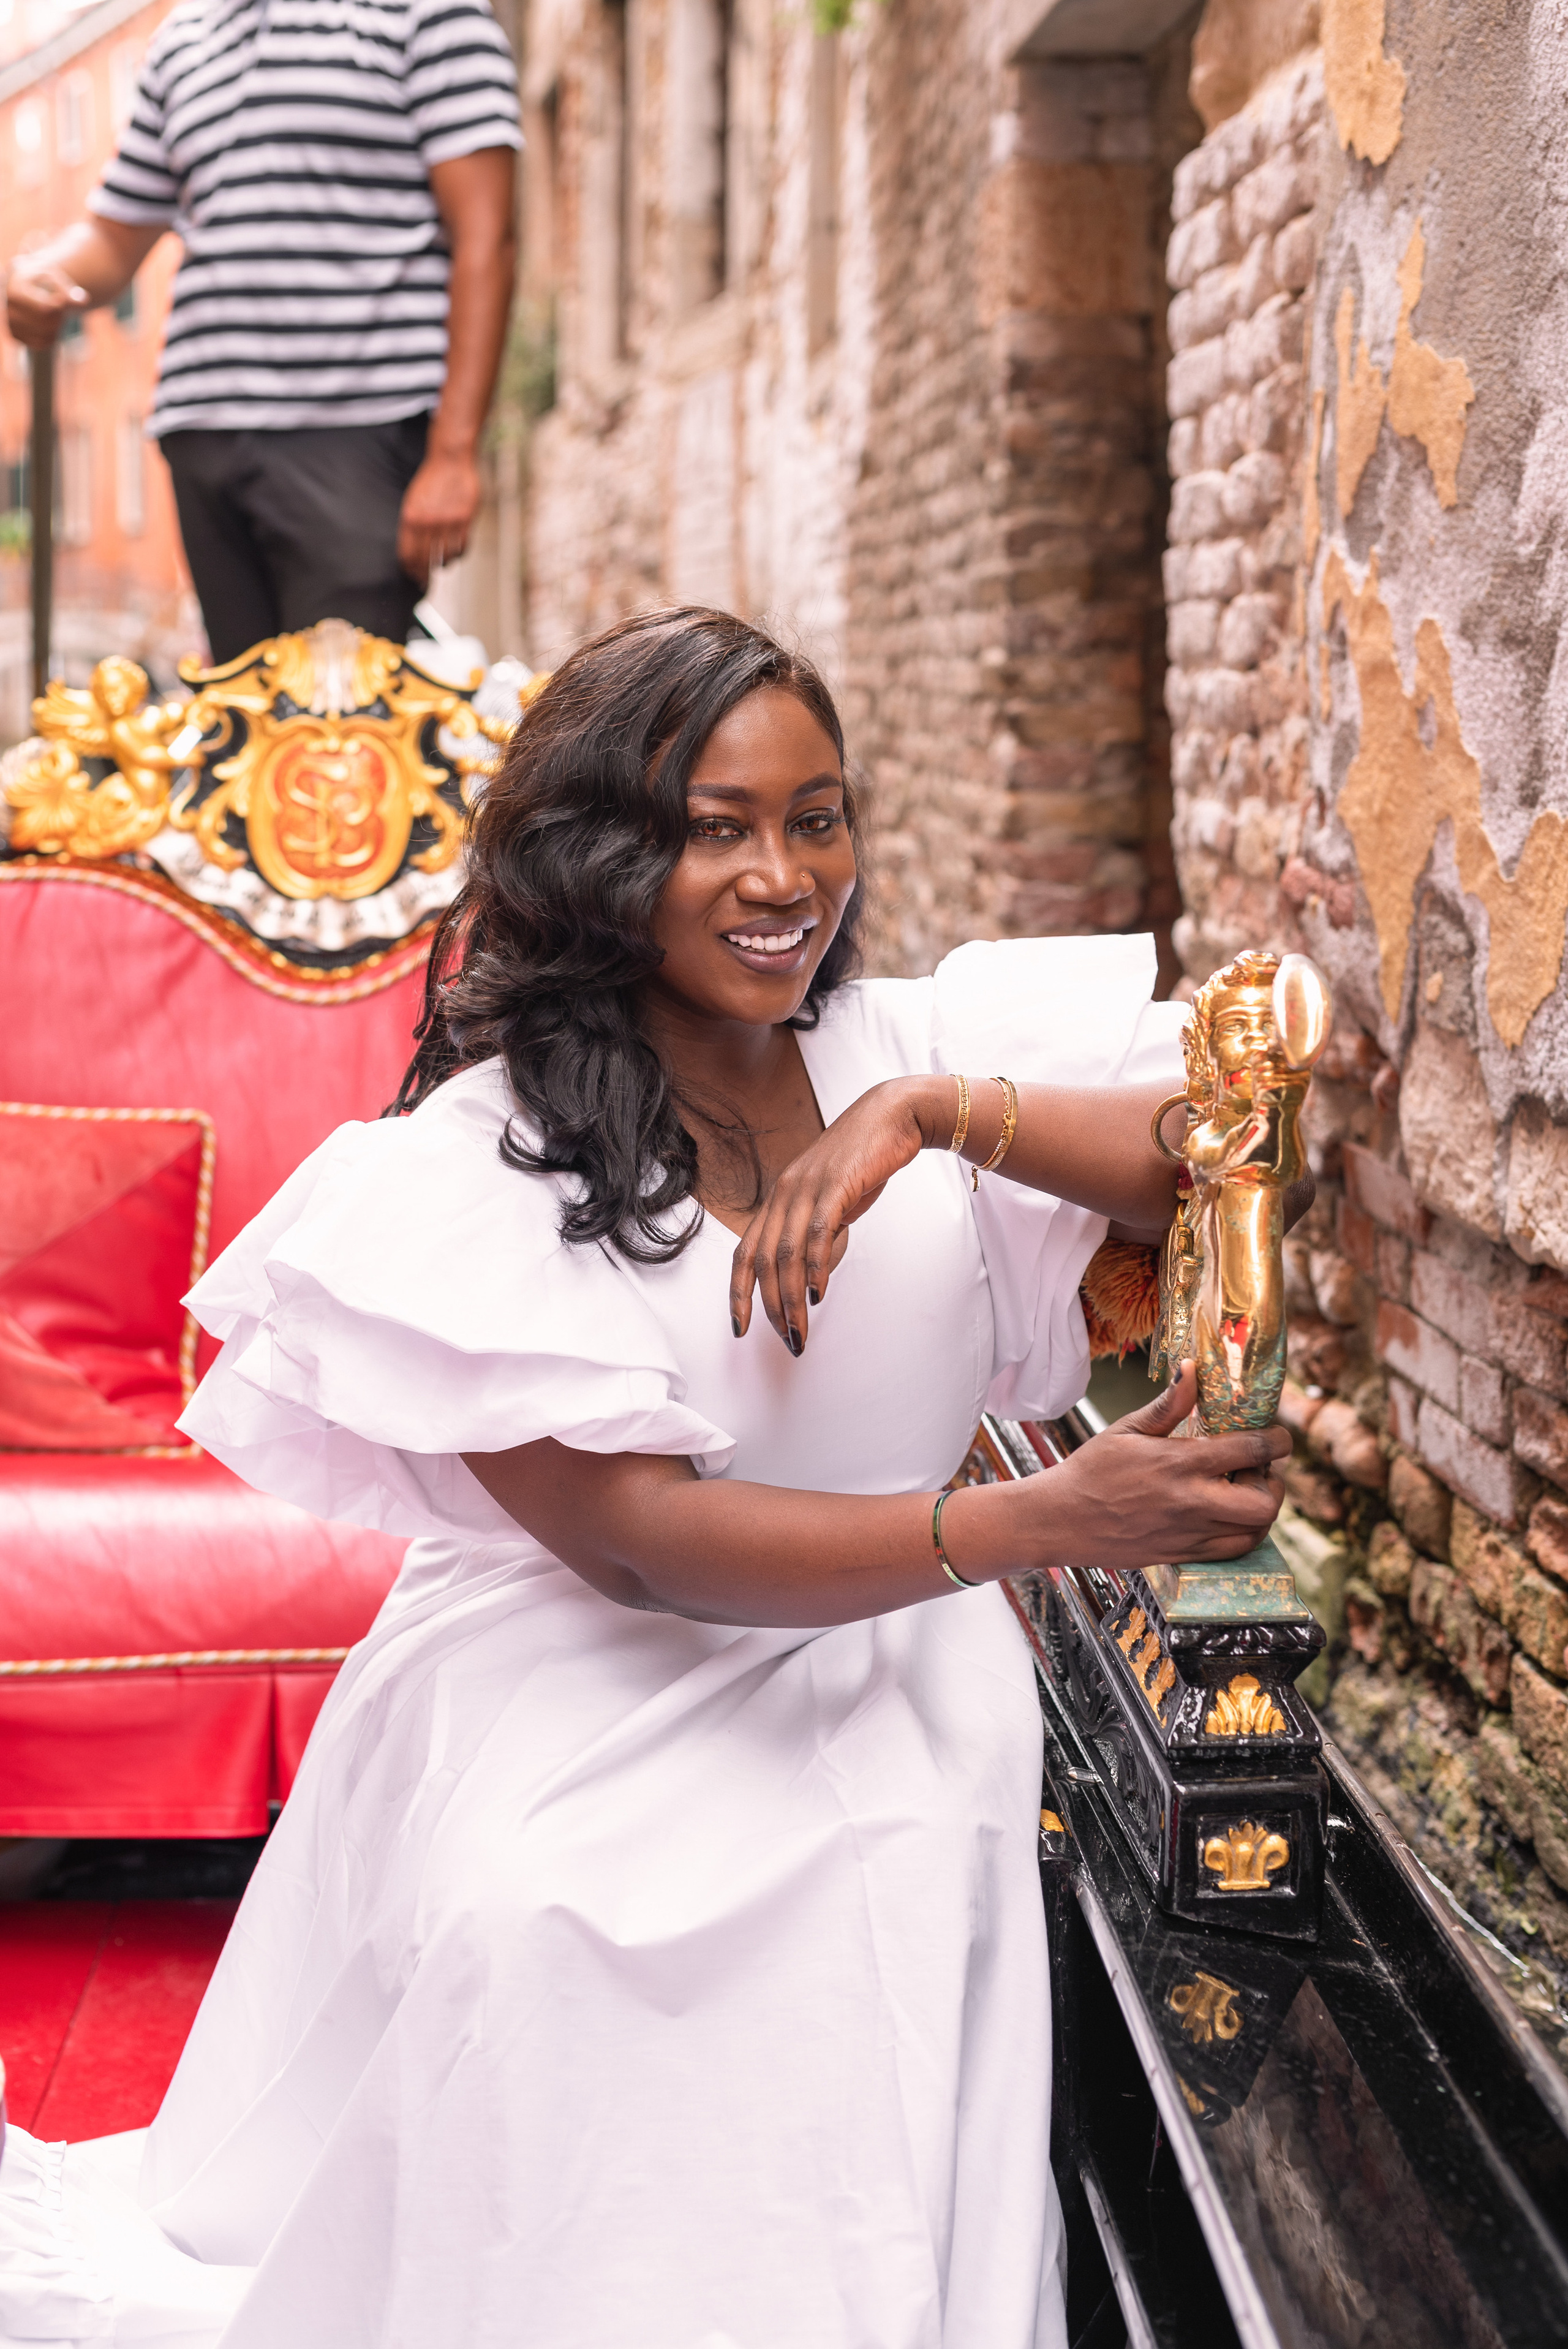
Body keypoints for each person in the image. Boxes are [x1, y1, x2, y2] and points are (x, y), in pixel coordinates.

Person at [0, 608, 1293, 2348]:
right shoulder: (479, 1155)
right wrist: (1038, 1523)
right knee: (551, 1912)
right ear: (606, 858)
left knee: (904, 1857)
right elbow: (634, 1544)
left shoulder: (912, 1037)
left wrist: (923, 1108)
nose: (785, 874)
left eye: (817, 816)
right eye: (715, 826)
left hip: (902, 1652)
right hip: (591, 1671)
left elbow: (1211, 1146)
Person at [4, 0, 521, 664]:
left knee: (341, 721)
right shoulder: (183, 38)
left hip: (356, 429)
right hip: (203, 432)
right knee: (240, 714)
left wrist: (454, 453)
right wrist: (37, 277)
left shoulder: (430, 15)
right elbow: (113, 236)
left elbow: (487, 238)